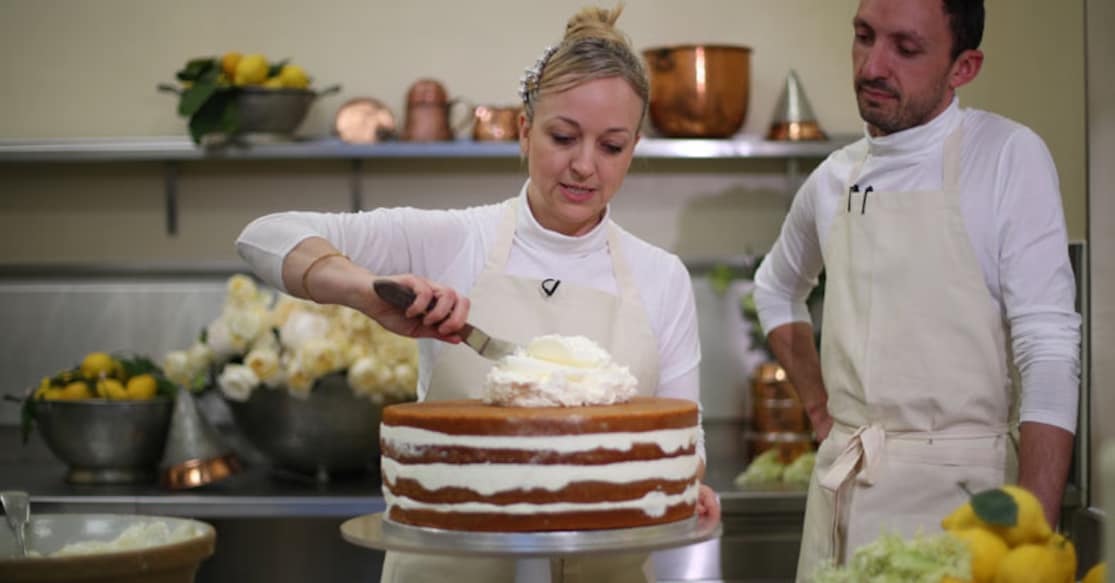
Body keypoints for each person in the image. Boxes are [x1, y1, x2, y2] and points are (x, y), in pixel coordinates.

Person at [236, 5, 719, 582]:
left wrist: (686, 486)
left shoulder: (661, 276)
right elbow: (264, 238)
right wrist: (368, 291)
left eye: (611, 147)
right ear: (524, 131)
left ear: (633, 149)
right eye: (563, 137)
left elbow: (685, 439)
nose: (584, 166)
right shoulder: (450, 240)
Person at [752, 0, 1081, 579]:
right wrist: (820, 407)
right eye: (863, 36)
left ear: (964, 67)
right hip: (844, 498)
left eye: (906, 49)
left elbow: (1049, 347)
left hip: (970, 505)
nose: (873, 64)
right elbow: (776, 287)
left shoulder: (1007, 157)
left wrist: (1033, 536)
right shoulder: (831, 180)